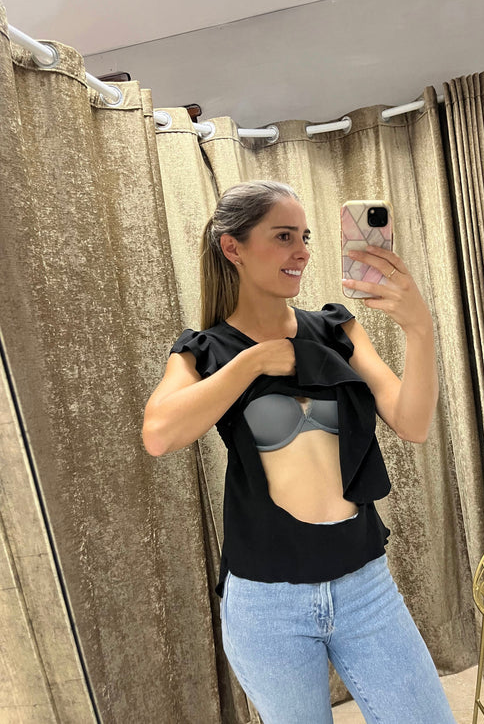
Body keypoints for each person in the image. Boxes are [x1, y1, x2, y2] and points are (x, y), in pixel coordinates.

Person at [142, 181, 456, 723]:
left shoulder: (336, 329)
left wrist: (419, 328)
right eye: (284, 236)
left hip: (364, 586)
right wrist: (255, 362)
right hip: (268, 604)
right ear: (233, 248)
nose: (303, 251)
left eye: (305, 237)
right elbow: (159, 435)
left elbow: (413, 423)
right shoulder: (205, 350)